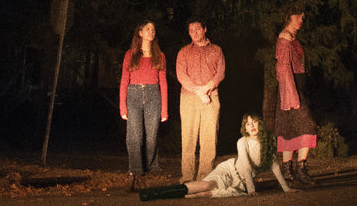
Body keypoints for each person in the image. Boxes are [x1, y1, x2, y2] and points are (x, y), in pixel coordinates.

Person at [139, 113, 292, 200]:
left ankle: (172, 196)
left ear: (260, 124)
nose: (251, 126)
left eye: (254, 122)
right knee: (206, 186)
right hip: (230, 170)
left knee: (202, 195)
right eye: (247, 124)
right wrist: (251, 189)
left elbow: (275, 165)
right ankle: (154, 193)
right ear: (244, 128)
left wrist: (286, 189)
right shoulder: (242, 142)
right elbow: (245, 165)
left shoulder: (270, 140)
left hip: (240, 185)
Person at [120, 20, 169, 192]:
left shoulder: (160, 55)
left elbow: (163, 83)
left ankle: (146, 169)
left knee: (151, 137)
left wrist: (164, 109)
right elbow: (124, 81)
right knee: (134, 137)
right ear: (140, 32)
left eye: (153, 29)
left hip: (153, 95)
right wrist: (122, 107)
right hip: (133, 95)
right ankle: (136, 174)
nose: (151, 32)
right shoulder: (130, 54)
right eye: (148, 29)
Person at [176, 17, 226, 182]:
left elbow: (220, 73)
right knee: (188, 137)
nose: (194, 33)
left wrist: (207, 88)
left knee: (209, 137)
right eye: (191, 30)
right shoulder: (184, 51)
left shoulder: (216, 50)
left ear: (205, 29)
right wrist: (198, 92)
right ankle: (187, 176)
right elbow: (181, 75)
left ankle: (205, 176)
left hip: (211, 97)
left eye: (197, 29)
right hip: (189, 98)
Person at [274, 7, 317, 188]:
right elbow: (283, 69)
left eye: (303, 17)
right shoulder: (284, 40)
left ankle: (294, 171)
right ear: (288, 16)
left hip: (298, 87)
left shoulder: (293, 38)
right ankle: (294, 170)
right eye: (297, 16)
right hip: (289, 89)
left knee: (292, 129)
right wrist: (290, 96)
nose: (301, 19)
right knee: (305, 126)